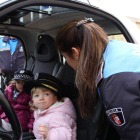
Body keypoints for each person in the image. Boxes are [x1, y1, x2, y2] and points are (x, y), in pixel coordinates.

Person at [55, 18, 140, 140]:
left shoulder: (114, 81)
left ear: (75, 53)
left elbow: (134, 135)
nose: (67, 62)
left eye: (65, 57)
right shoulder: (117, 47)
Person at [23, 73, 77, 140]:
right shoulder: (41, 113)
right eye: (37, 96)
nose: (41, 98)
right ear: (33, 100)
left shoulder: (58, 116)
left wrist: (49, 134)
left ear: (54, 99)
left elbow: (66, 136)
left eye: (46, 94)